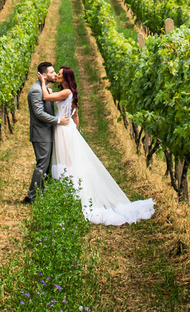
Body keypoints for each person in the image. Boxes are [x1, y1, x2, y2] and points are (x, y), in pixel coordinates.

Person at [42, 66, 155, 226]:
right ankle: (70, 194)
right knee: (70, 161)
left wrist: (42, 81)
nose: (58, 77)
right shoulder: (71, 93)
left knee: (66, 163)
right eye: (57, 74)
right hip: (69, 130)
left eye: (60, 75)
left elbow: (46, 97)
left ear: (66, 78)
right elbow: (76, 115)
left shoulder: (66, 92)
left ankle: (71, 195)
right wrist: (76, 132)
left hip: (64, 130)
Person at [22, 62, 69, 204]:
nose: (54, 74)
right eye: (52, 72)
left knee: (45, 164)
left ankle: (40, 194)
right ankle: (31, 197)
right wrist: (57, 120)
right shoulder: (36, 90)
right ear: (44, 75)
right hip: (41, 133)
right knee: (42, 164)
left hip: (46, 133)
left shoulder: (44, 88)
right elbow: (38, 113)